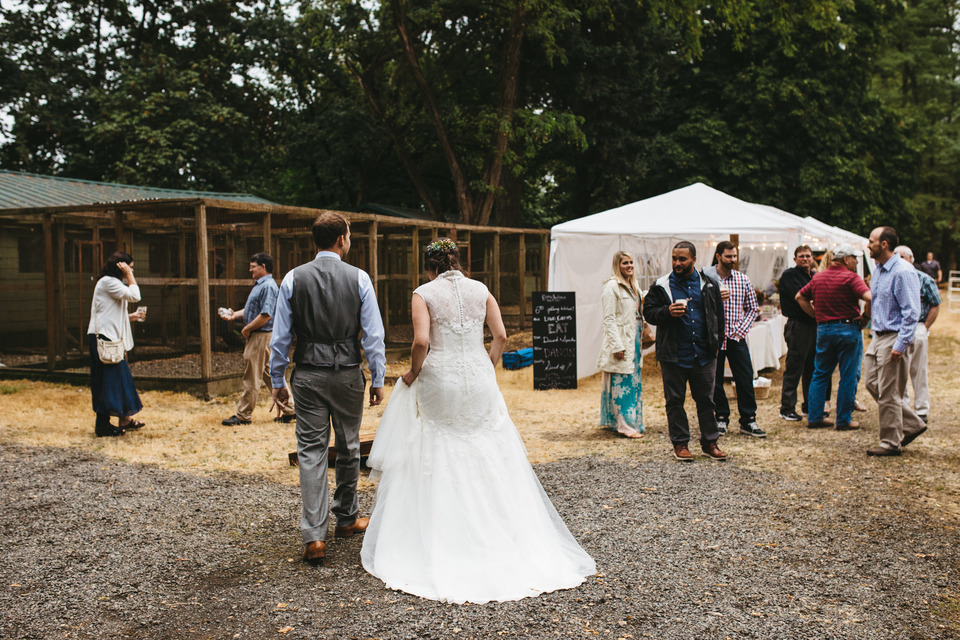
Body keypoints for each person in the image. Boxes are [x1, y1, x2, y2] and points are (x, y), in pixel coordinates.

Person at [361, 239, 596, 603]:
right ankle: (504, 529)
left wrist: (412, 372)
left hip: (441, 379)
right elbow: (500, 335)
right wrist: (488, 364)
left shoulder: (423, 293)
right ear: (457, 262)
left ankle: (446, 534)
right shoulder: (481, 289)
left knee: (440, 444)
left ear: (429, 267)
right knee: (487, 444)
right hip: (478, 377)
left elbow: (421, 341)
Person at [269, 212, 386, 562]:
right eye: (348, 236)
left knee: (311, 451)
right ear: (341, 240)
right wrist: (377, 378)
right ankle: (347, 518)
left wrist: (277, 380)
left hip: (306, 375)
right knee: (349, 446)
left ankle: (314, 537)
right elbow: (374, 336)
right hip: (348, 373)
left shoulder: (293, 278)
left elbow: (280, 338)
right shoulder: (359, 278)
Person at [643, 241, 727, 461]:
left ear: (694, 260)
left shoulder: (708, 283)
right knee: (675, 401)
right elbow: (648, 312)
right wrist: (667, 311)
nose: (677, 263)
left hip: (704, 354)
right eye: (674, 258)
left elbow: (718, 315)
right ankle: (680, 444)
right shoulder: (662, 285)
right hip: (674, 355)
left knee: (707, 401)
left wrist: (716, 345)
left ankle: (710, 442)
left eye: (682, 259)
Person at [863, 227, 925, 456]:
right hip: (877, 336)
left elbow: (911, 313)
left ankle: (890, 442)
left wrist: (901, 344)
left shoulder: (903, 272)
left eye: (871, 241)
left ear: (884, 244)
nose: (868, 245)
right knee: (871, 382)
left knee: (889, 392)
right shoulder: (878, 269)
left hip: (894, 337)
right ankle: (911, 424)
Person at [795, 245, 871, 431]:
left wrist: (815, 315)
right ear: (846, 260)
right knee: (847, 375)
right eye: (854, 259)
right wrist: (866, 318)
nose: (855, 262)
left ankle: (815, 417)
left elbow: (799, 297)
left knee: (820, 374)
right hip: (847, 329)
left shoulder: (818, 277)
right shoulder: (851, 277)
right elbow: (870, 297)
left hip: (824, 329)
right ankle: (843, 420)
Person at [221, 252, 296, 426]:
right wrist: (234, 315)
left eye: (253, 266)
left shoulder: (268, 286)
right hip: (262, 336)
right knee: (271, 374)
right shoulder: (260, 285)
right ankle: (290, 410)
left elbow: (266, 315)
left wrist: (246, 329)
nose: (250, 269)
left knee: (251, 377)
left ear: (263, 267)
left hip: (260, 336)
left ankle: (243, 415)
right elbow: (252, 311)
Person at [704, 241, 766, 438]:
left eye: (735, 256)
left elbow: (752, 309)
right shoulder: (705, 278)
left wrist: (739, 331)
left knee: (745, 378)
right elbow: (698, 305)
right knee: (715, 380)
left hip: (735, 336)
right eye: (729, 256)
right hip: (713, 337)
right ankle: (721, 418)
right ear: (718, 256)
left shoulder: (742, 279)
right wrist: (713, 297)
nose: (733, 260)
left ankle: (748, 420)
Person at [86, 251, 146, 437]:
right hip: (104, 338)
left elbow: (108, 313)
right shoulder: (108, 282)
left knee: (117, 378)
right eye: (130, 266)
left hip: (106, 336)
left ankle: (124, 419)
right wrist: (130, 275)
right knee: (109, 380)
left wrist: (132, 317)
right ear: (121, 266)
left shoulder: (111, 284)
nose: (132, 270)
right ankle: (103, 426)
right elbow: (135, 296)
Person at [596, 251, 644, 438]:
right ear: (618, 265)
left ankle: (634, 421)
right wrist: (616, 345)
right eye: (625, 263)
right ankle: (623, 424)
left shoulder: (634, 286)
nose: (629, 266)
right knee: (621, 383)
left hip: (635, 340)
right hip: (622, 340)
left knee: (633, 382)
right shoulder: (611, 287)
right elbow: (608, 319)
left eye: (631, 262)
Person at [894, 245, 941, 424]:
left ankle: (921, 410)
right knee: (899, 371)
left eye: (900, 257)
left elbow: (936, 304)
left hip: (918, 326)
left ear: (910, 258)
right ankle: (904, 409)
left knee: (919, 370)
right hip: (897, 329)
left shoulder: (924, 279)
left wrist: (925, 327)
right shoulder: (894, 277)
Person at [777, 245, 818, 421]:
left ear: (812, 258)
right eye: (801, 256)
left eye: (808, 256)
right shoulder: (789, 275)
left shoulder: (815, 276)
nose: (805, 259)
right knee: (795, 366)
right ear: (795, 259)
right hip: (798, 325)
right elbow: (802, 298)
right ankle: (787, 408)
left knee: (812, 367)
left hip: (814, 326)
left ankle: (809, 406)